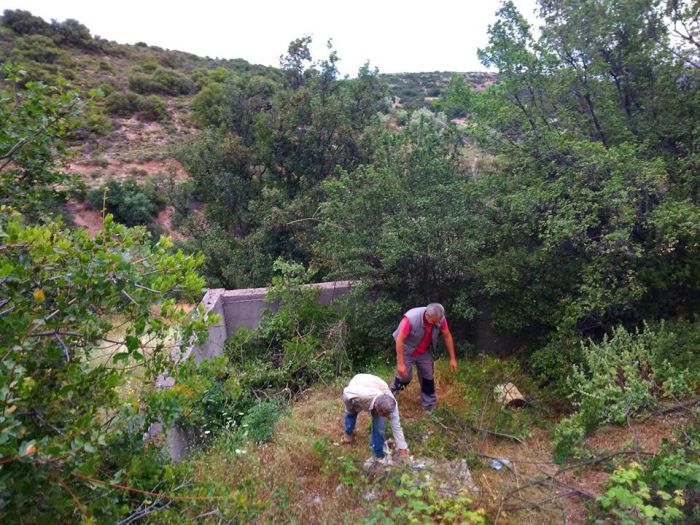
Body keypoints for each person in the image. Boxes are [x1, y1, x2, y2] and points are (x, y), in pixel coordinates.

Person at [390, 303, 457, 411]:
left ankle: (429, 407)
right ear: (427, 315)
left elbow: (447, 335)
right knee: (405, 377)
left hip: (424, 351)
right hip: (407, 350)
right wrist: (401, 364)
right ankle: (390, 393)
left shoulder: (439, 318)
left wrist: (452, 358)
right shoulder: (411, 318)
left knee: (428, 377)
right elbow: (399, 340)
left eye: (438, 321)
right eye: (434, 321)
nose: (437, 323)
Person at [341, 373, 409, 459]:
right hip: (359, 383)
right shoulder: (360, 395)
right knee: (351, 414)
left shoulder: (391, 404)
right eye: (384, 414)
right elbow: (346, 393)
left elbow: (396, 425)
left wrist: (402, 447)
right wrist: (350, 408)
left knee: (379, 427)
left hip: (378, 386)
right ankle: (348, 434)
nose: (386, 417)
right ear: (376, 407)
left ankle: (378, 454)